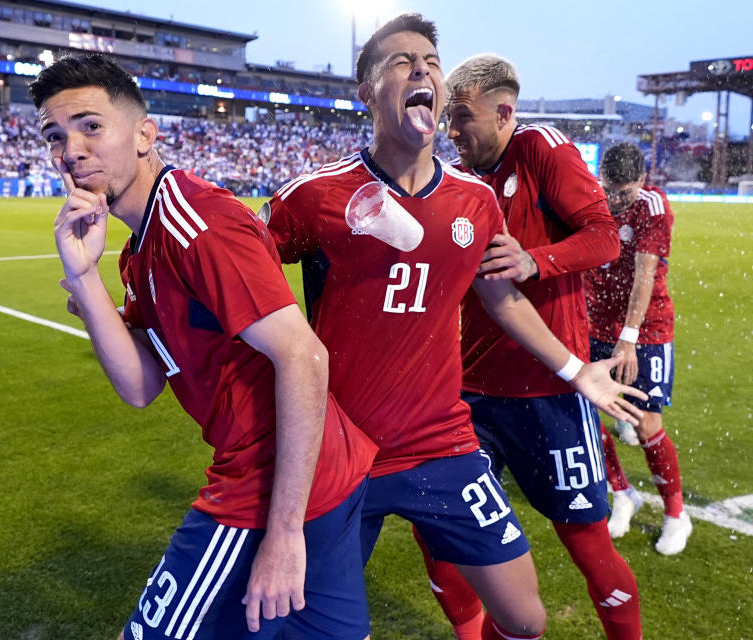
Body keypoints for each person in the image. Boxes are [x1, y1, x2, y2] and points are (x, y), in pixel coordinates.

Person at [263, 14, 645, 640]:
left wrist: (581, 373)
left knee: (526, 619)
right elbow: (238, 275)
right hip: (341, 448)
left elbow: (503, 300)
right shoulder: (315, 196)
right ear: (367, 94)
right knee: (316, 627)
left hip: (441, 445)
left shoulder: (474, 200)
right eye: (399, 61)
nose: (421, 69)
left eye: (430, 62)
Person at [30, 53, 377, 640]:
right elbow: (141, 387)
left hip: (267, 484)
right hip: (331, 471)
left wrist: (283, 532)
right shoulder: (141, 250)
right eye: (55, 136)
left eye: (91, 125)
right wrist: (86, 281)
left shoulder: (198, 222)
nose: (72, 150)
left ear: (145, 135)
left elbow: (303, 355)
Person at [408, 53, 644, 640]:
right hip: (466, 397)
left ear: (504, 111)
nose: (451, 130)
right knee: (440, 534)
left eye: (461, 117)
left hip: (551, 390)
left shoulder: (540, 147)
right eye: (447, 118)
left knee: (587, 545)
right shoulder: (457, 177)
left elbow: (606, 238)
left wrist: (535, 261)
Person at [584, 142, 692, 556]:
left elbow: (644, 275)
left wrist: (628, 339)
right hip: (595, 324)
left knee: (646, 425)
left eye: (623, 193)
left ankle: (675, 515)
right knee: (585, 417)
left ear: (642, 182)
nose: (614, 200)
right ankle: (623, 493)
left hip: (646, 331)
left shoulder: (652, 206)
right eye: (610, 189)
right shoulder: (593, 196)